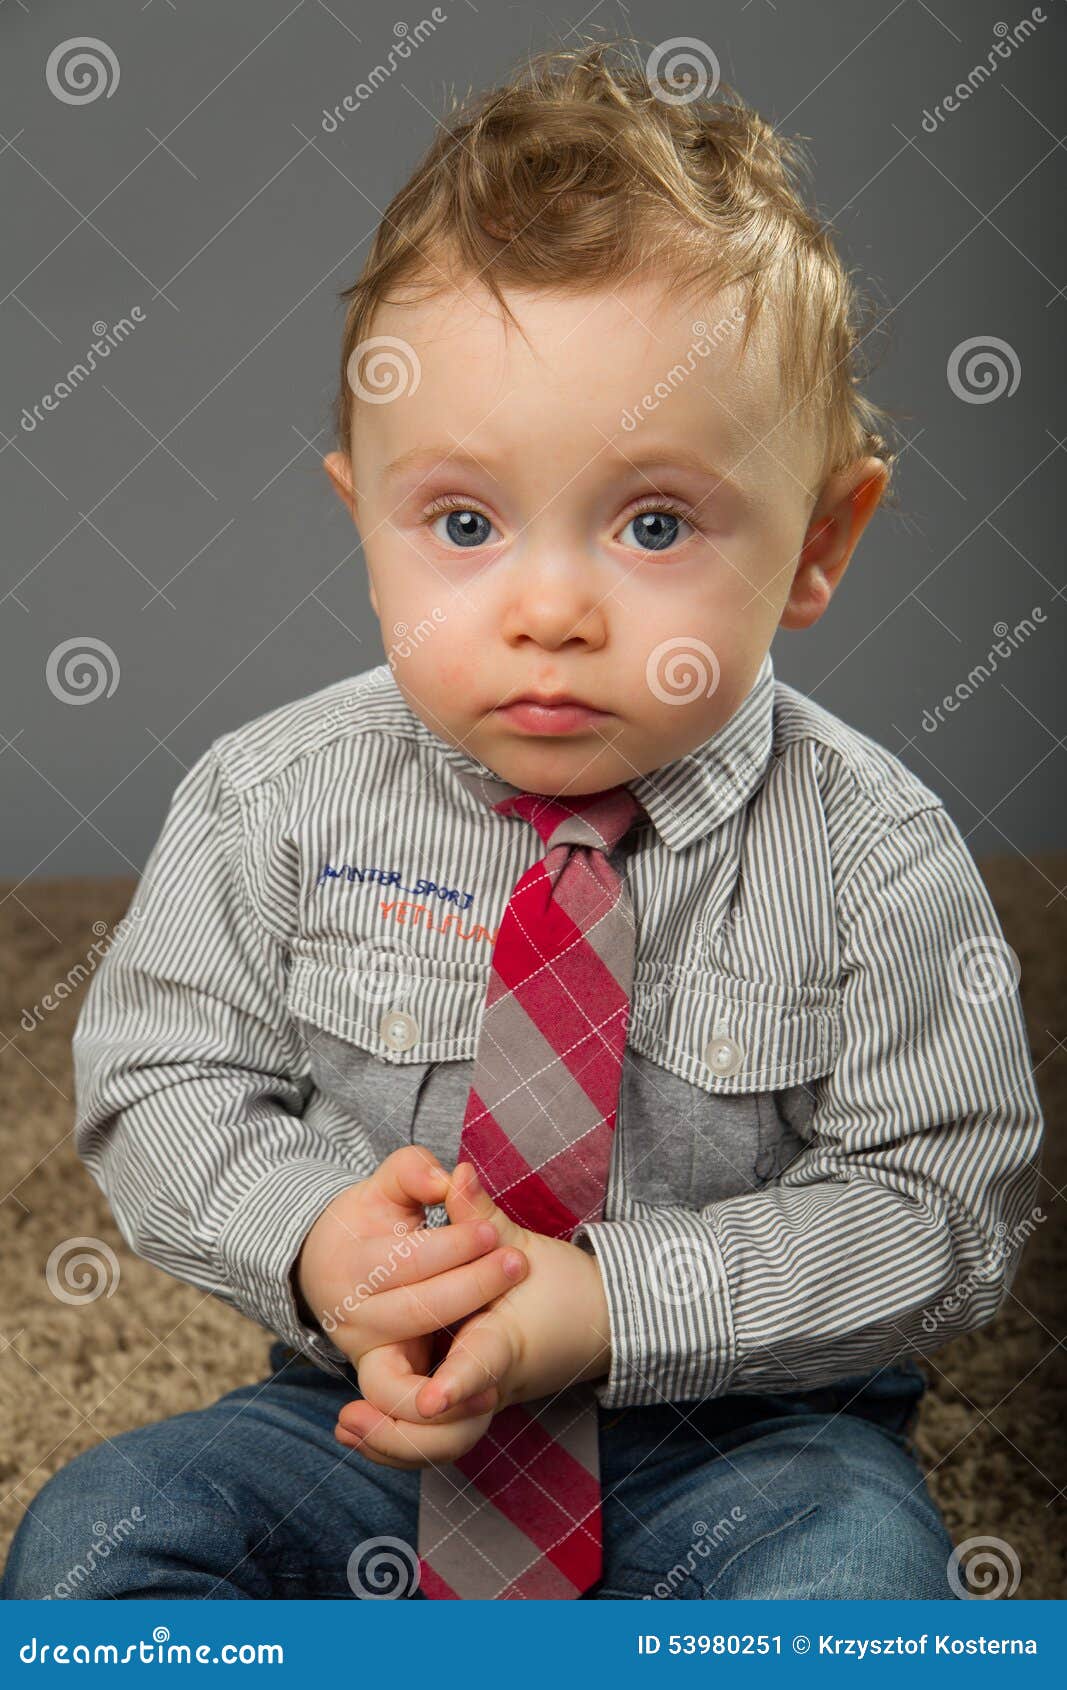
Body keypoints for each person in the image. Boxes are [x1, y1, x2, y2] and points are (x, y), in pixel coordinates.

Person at [1, 39, 1043, 1601]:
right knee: (94, 1544)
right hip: (360, 1418)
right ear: (365, 519)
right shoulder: (273, 798)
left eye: (655, 521)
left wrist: (611, 1298)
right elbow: (162, 1068)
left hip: (750, 1444)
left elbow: (946, 1206)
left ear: (822, 541)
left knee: (857, 1590)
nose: (549, 605)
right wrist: (315, 1241)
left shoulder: (874, 856)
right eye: (468, 523)